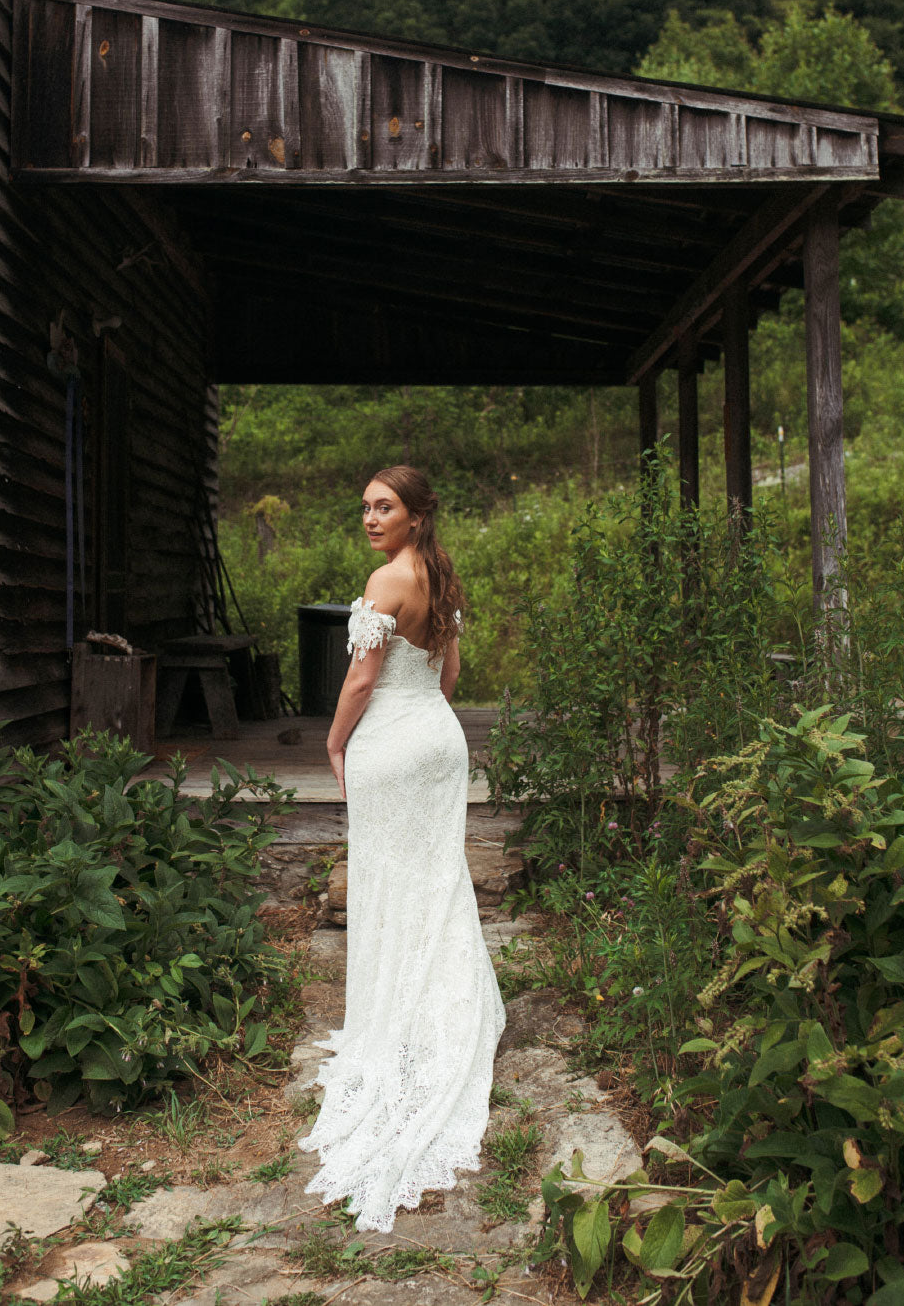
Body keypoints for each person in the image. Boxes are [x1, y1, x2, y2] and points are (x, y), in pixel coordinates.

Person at [297, 465, 506, 1233]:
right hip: (437, 740)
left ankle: (405, 1021)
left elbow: (360, 679)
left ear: (416, 515)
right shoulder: (442, 580)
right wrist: (419, 719)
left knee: (391, 880)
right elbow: (447, 676)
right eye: (364, 508)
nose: (370, 518)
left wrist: (334, 741)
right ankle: (441, 1016)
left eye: (384, 507)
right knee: (436, 879)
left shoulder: (387, 580)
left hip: (390, 740)